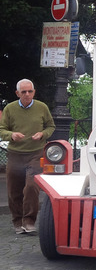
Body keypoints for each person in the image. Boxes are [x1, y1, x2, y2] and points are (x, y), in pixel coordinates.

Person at [0, 79, 55, 234]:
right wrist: (11, 135)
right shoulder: (10, 109)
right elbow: (1, 129)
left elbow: (51, 126)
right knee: (14, 190)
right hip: (15, 155)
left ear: (34, 92)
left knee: (32, 187)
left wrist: (42, 134)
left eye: (30, 91)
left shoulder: (42, 107)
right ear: (17, 93)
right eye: (23, 92)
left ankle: (29, 221)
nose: (27, 94)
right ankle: (18, 223)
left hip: (36, 154)